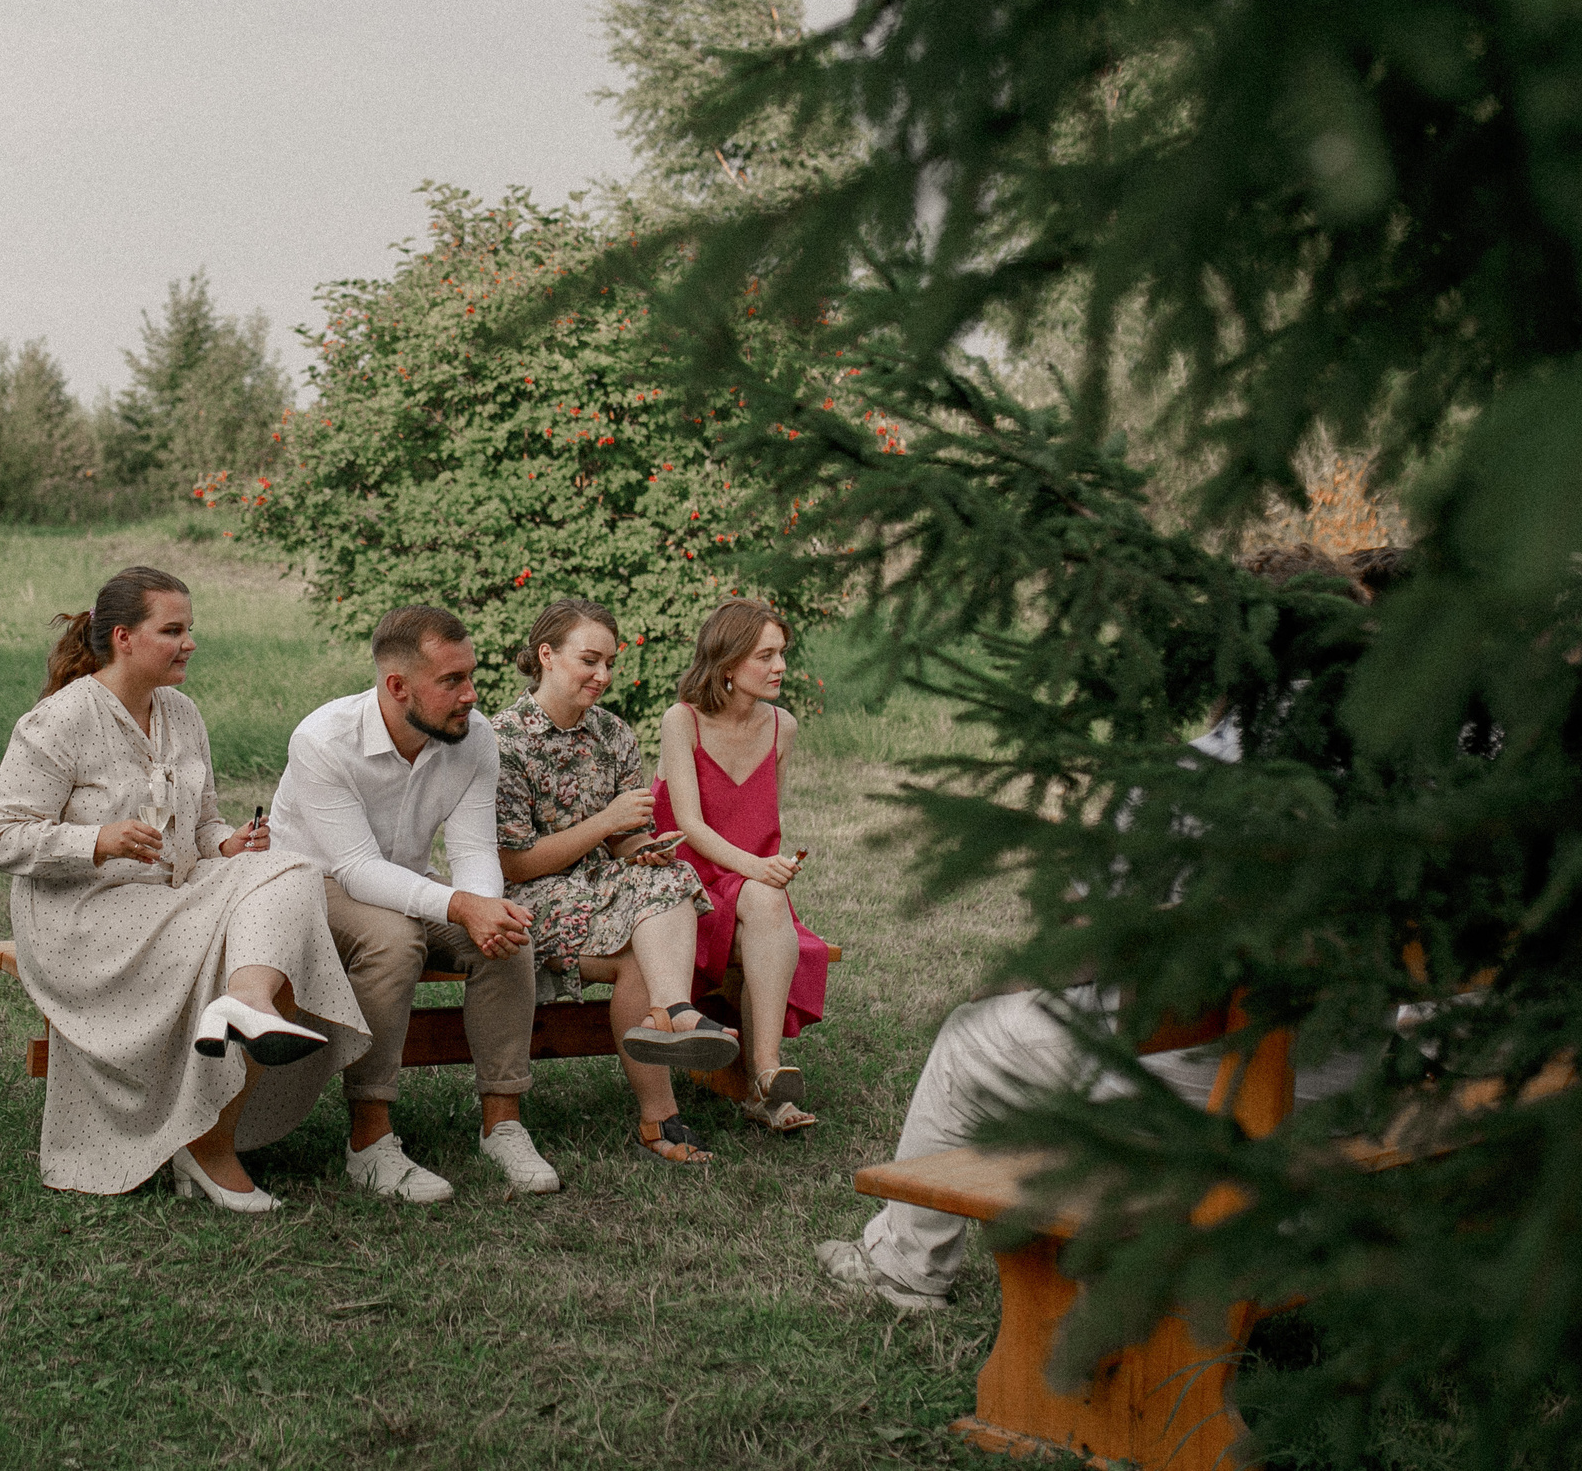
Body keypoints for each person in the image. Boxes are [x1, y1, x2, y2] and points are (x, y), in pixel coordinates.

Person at [815, 544, 1373, 1309]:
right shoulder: (1401, 772)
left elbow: (1087, 940)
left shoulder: (1193, 776)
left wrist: (996, 981)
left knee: (970, 1037)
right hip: (1355, 1070)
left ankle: (906, 1267)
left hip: (1227, 1080)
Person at [0, 566, 369, 1214]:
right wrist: (96, 840)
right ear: (125, 638)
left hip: (170, 892)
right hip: (80, 915)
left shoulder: (182, 713)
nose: (189, 642)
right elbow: (2, 837)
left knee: (292, 871)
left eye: (190, 628)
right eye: (174, 630)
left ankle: (245, 1003)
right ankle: (210, 1144)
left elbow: (205, 816)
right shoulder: (60, 719)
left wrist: (226, 843)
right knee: (254, 925)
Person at [269, 605, 562, 1202]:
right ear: (397, 686)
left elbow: (475, 851)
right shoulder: (322, 739)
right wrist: (460, 907)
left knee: (507, 936)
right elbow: (354, 870)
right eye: (451, 681)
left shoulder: (474, 736)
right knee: (394, 940)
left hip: (406, 882)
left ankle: (503, 1124)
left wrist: (484, 913)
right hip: (310, 886)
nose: (471, 695)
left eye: (471, 675)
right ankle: (369, 1141)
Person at [491, 598, 744, 1165]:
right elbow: (517, 864)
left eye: (609, 662)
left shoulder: (613, 734)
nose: (603, 676)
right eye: (589, 661)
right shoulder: (503, 740)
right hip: (530, 903)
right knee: (651, 918)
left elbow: (625, 841)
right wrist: (606, 823)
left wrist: (641, 849)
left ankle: (662, 1075)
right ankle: (673, 1026)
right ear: (547, 656)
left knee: (666, 884)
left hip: (608, 892)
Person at [652, 597, 833, 1134]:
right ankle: (763, 1087)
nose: (780, 667)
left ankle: (766, 1075)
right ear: (728, 664)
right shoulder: (681, 721)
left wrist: (768, 867)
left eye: (782, 654)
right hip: (688, 890)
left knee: (765, 901)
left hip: (752, 889)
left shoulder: (784, 727)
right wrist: (758, 868)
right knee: (763, 901)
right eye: (766, 656)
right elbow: (690, 825)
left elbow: (765, 815)